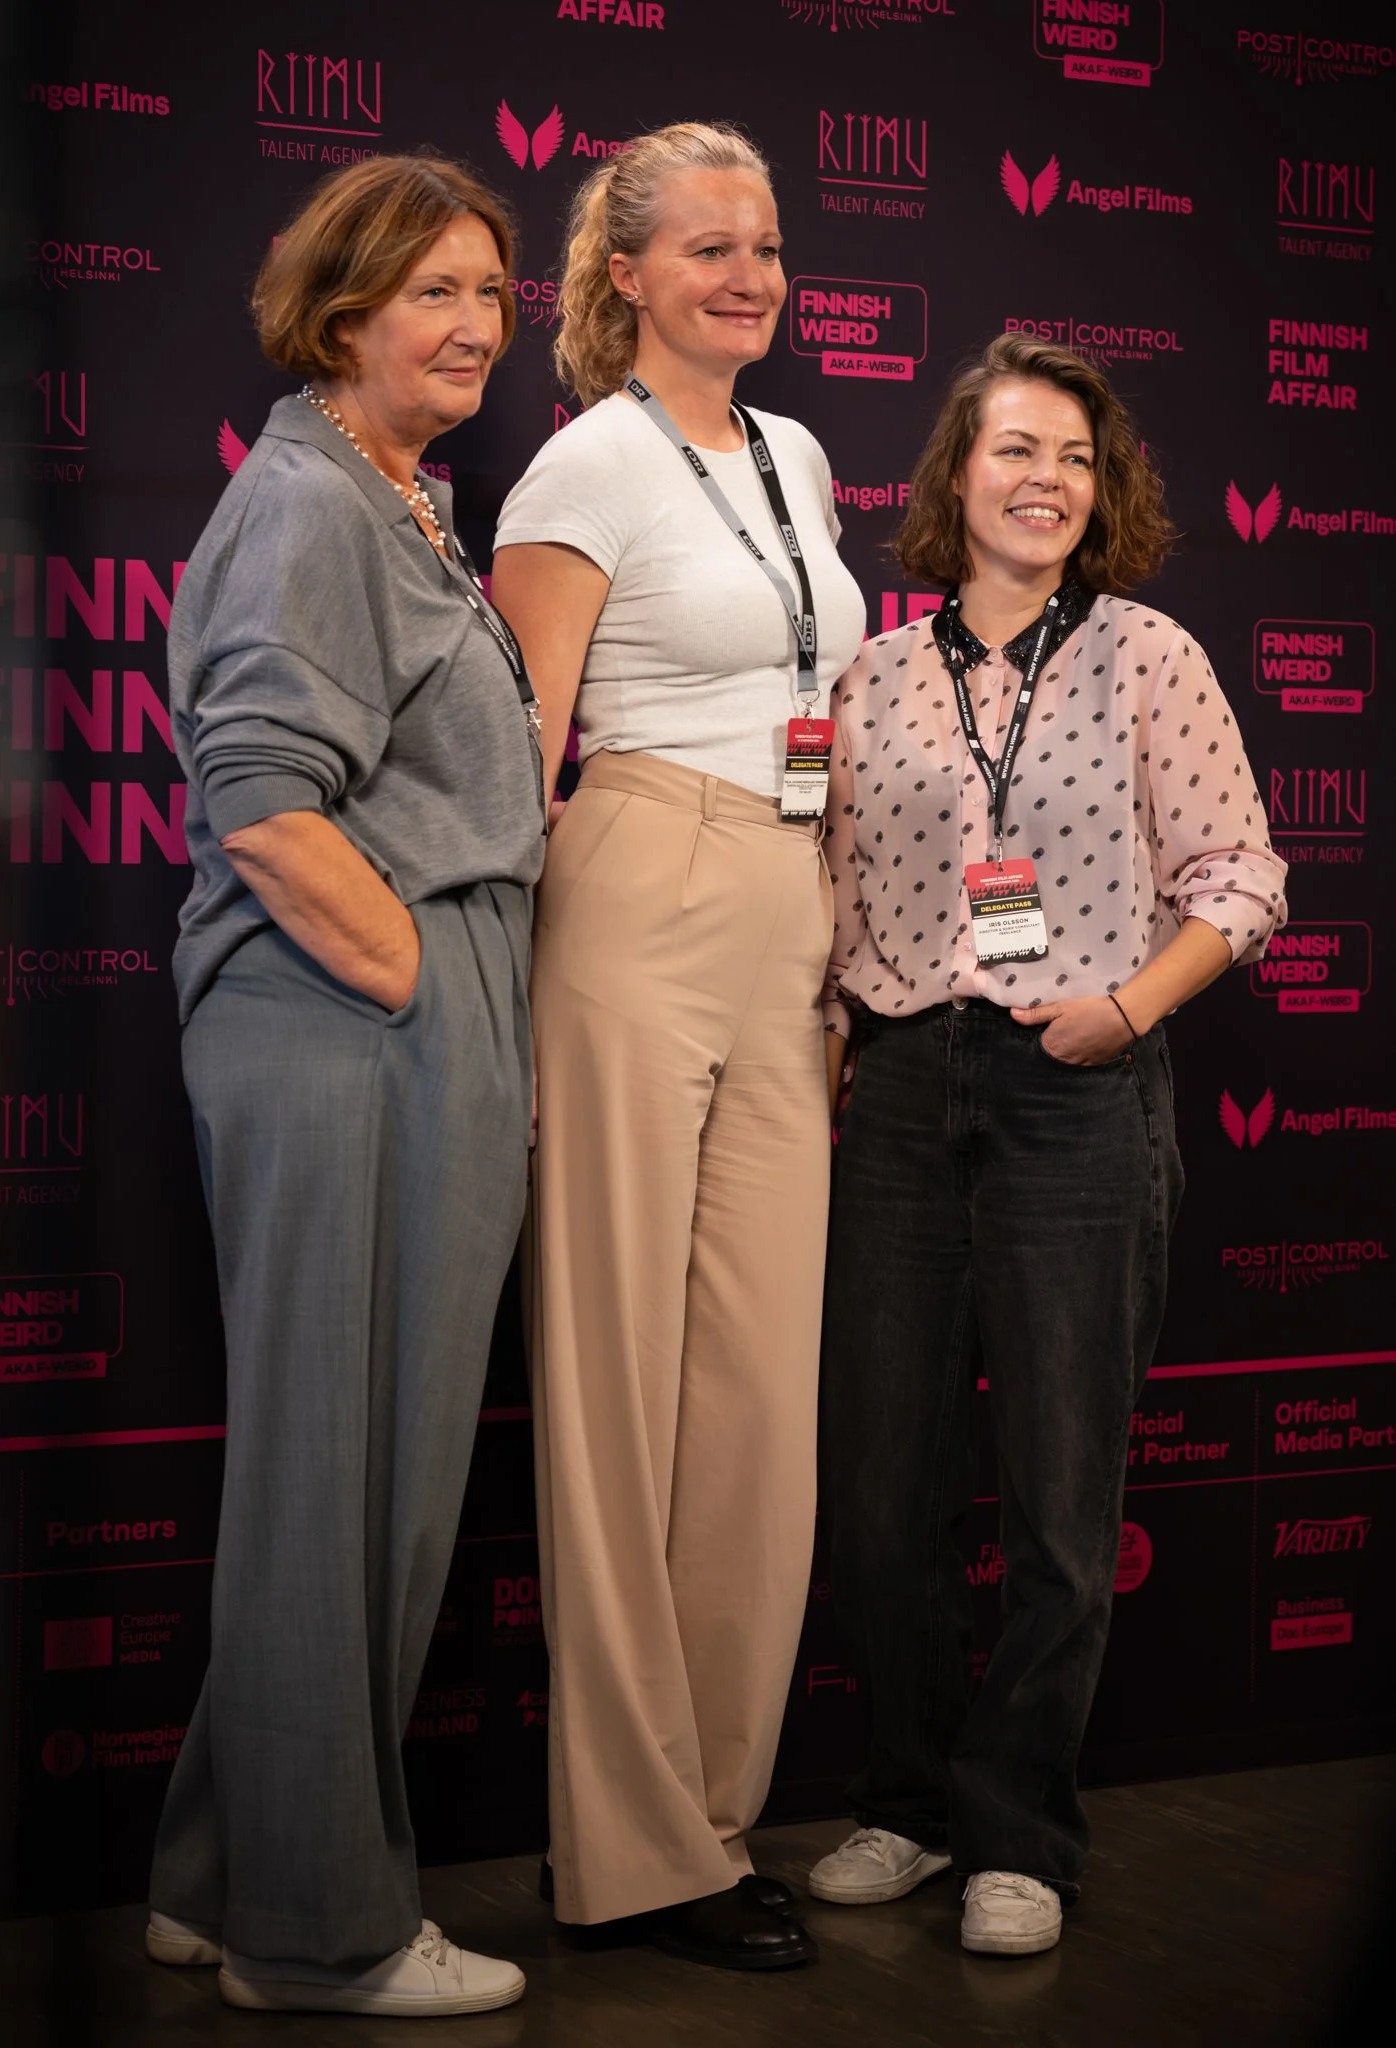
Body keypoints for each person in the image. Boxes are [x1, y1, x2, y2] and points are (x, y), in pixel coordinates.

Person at [807, 333, 1287, 1956]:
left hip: (1074, 1082)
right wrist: (825, 1045)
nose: (1045, 483)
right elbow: (824, 900)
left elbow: (1240, 879)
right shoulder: (869, 679)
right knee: (880, 1485)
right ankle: (906, 1800)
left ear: (1105, 490)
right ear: (954, 478)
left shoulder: (1148, 656)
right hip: (896, 1087)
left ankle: (1017, 1829)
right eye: (1014, 451)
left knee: (1058, 1493)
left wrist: (1122, 1013)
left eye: (1074, 459)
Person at [145, 155, 544, 2018]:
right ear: (339, 315)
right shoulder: (311, 499)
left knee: (339, 1471)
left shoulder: (396, 496)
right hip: (351, 1011)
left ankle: (227, 1876)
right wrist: (411, 980)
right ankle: (319, 1934)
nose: (472, 325)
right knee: (346, 1485)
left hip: (387, 1004)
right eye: (430, 294)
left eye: (488, 291)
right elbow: (257, 796)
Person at [490, 122, 866, 1971]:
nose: (748, 274)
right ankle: (625, 1852)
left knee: (750, 1406)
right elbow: (514, 756)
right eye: (706, 247)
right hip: (632, 885)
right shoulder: (582, 464)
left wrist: (846, 947)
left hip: (792, 917)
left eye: (769, 247)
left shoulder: (794, 454)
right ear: (622, 274)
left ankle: (716, 1820)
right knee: (618, 1386)